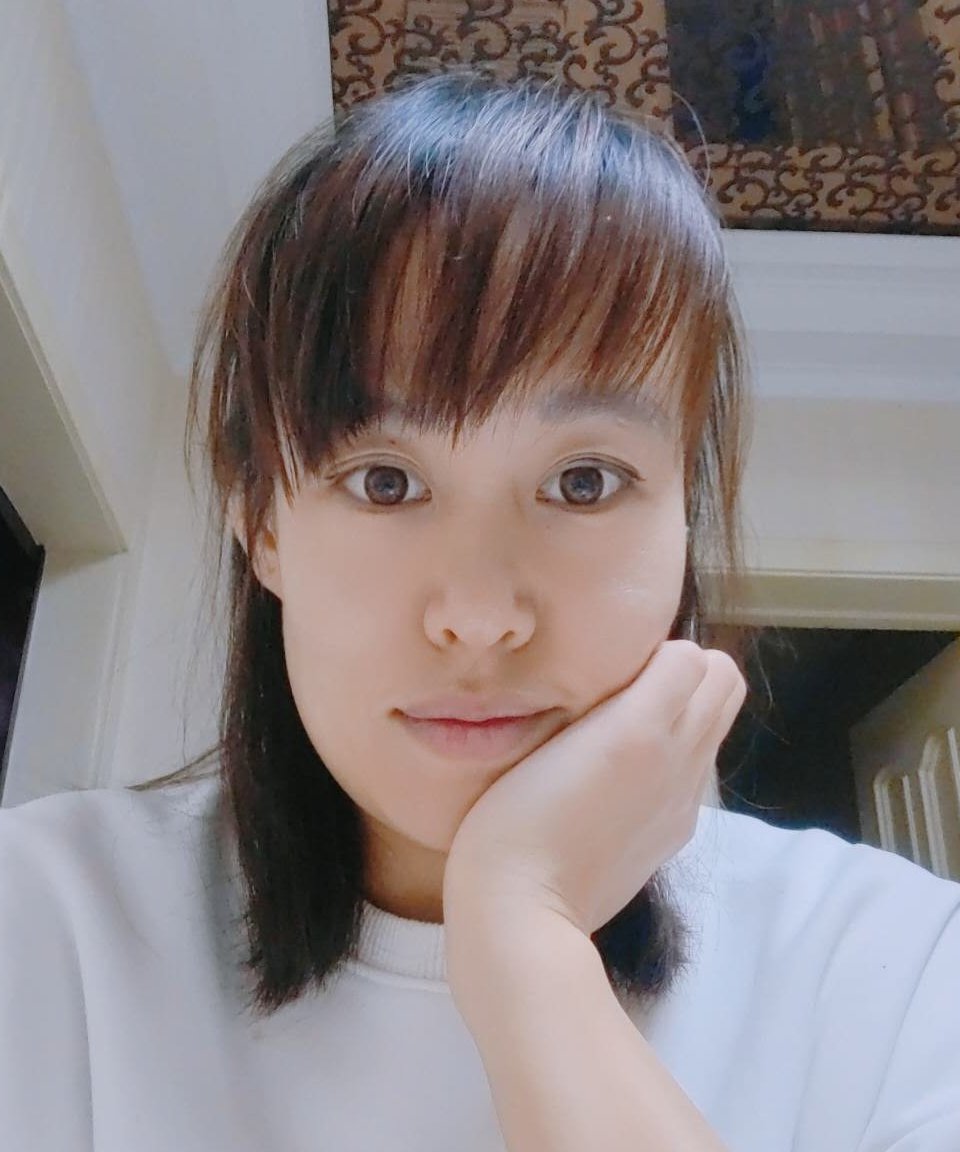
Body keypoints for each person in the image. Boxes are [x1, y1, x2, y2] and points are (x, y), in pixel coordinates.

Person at [1, 69, 957, 1152]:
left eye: (584, 482)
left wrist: (523, 937)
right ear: (260, 522)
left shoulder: (894, 974)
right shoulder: (42, 928)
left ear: (683, 520)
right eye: (385, 482)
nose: (481, 616)